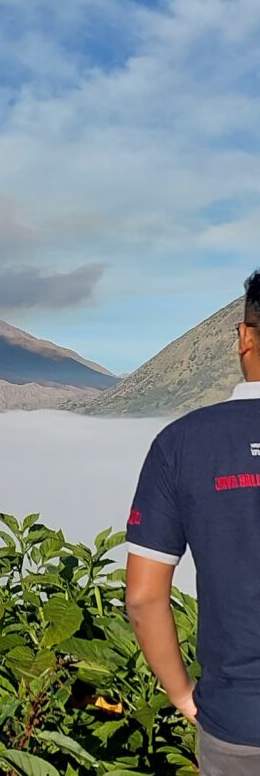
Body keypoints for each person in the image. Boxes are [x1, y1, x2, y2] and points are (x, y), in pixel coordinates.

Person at [125, 269, 260, 775]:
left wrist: (183, 695)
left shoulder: (181, 444)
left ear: (244, 337)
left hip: (237, 723)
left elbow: (142, 597)